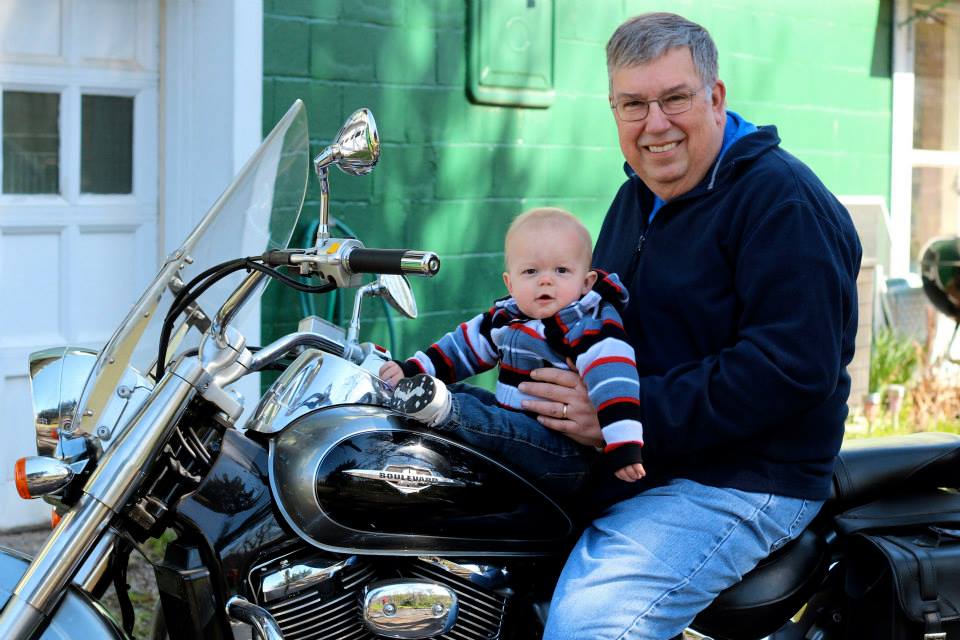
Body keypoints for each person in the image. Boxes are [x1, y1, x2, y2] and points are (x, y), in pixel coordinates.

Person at [514, 13, 862, 639]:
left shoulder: (781, 201)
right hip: (647, 458)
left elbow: (791, 369)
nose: (655, 124)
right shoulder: (640, 197)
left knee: (593, 624)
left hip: (745, 478)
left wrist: (624, 414)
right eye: (633, 105)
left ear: (715, 96)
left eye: (674, 98)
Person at [380, 207, 646, 493]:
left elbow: (616, 381)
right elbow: (462, 347)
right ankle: (409, 393)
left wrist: (624, 444)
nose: (546, 280)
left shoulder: (587, 324)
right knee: (464, 392)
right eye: (531, 271)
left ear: (586, 282)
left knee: (488, 418)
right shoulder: (507, 317)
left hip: (563, 454)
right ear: (510, 282)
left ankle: (442, 411)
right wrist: (413, 369)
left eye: (562, 270)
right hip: (516, 426)